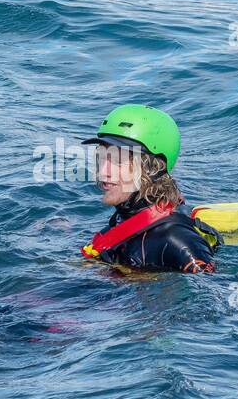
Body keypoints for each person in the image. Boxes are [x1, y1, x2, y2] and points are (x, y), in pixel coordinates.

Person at [80, 105, 218, 273]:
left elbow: (211, 290)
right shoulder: (116, 228)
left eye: (118, 162)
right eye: (101, 158)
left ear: (152, 169)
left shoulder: (177, 241)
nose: (103, 173)